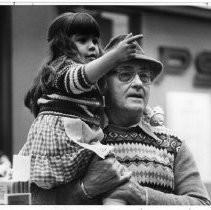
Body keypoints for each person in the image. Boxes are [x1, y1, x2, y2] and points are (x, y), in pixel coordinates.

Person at [19, 13, 142, 204]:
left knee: (111, 174)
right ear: (62, 45)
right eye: (82, 40)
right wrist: (114, 57)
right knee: (113, 171)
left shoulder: (79, 77)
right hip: (61, 142)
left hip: (71, 139)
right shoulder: (61, 68)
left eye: (94, 40)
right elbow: (80, 77)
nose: (92, 46)